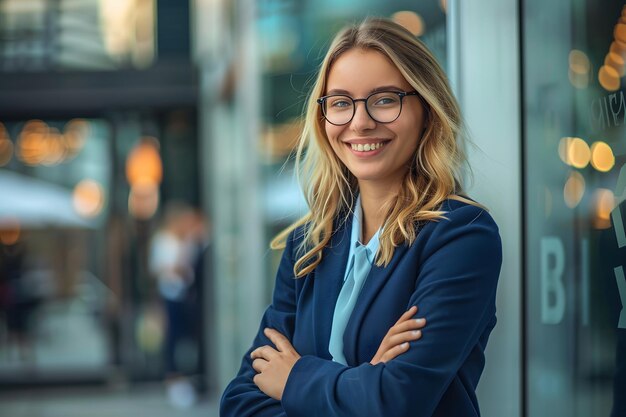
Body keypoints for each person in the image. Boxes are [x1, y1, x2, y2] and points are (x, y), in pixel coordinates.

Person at [220, 17, 502, 417]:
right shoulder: (308, 243)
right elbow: (239, 404)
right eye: (340, 103)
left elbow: (396, 400)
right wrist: (365, 378)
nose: (360, 121)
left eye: (385, 99)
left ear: (426, 108)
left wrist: (295, 377)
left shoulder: (461, 235)